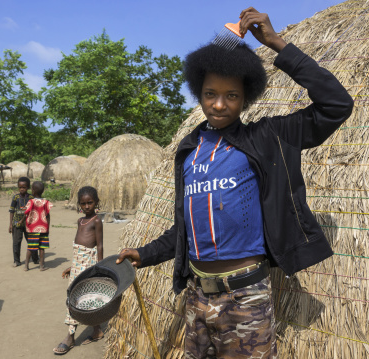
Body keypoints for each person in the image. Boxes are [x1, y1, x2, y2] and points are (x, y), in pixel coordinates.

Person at [116, 7, 353, 359]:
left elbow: (337, 104)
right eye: (211, 93)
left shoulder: (268, 137)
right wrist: (146, 254)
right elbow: (187, 227)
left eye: (232, 96)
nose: (220, 104)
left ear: (246, 98)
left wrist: (276, 43)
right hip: (197, 297)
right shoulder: (190, 152)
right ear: (199, 93)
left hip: (247, 299)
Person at [53, 186, 104, 355]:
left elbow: (99, 245)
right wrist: (73, 267)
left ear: (96, 202)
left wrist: (99, 268)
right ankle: (96, 330)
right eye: (83, 203)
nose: (87, 206)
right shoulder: (80, 221)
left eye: (90, 202)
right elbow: (79, 249)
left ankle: (70, 336)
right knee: (81, 297)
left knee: (80, 297)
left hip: (89, 265)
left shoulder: (96, 221)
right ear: (79, 204)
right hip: (78, 264)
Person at [21, 181, 53, 271]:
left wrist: (21, 221)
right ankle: (41, 266)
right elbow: (48, 216)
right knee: (42, 248)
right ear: (42, 191)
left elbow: (25, 213)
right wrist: (48, 228)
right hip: (43, 228)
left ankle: (26, 266)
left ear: (33, 191)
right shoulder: (46, 202)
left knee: (31, 247)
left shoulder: (31, 202)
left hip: (33, 228)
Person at [8, 177, 38, 267]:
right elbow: (11, 210)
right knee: (16, 242)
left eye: (24, 187)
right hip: (17, 224)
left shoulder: (31, 198)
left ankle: (35, 259)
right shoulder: (15, 197)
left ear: (28, 187)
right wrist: (10, 224)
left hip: (29, 224)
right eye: (20, 187)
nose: (22, 189)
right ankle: (16, 261)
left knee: (32, 242)